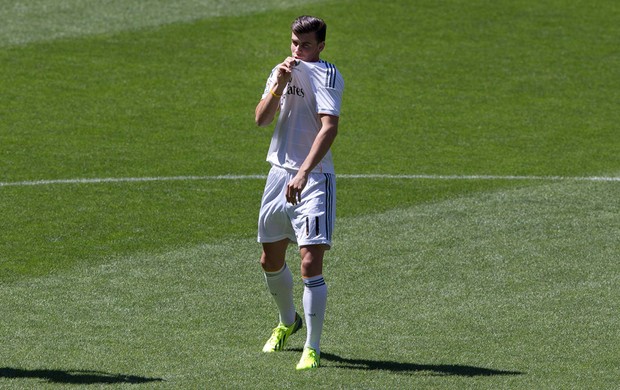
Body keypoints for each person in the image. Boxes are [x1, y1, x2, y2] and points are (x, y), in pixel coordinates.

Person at [254, 15, 344, 371]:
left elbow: (329, 128)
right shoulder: (281, 70)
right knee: (269, 260)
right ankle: (288, 321)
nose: (298, 50)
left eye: (305, 45)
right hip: (278, 175)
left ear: (321, 46)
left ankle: (312, 347)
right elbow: (261, 119)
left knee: (309, 262)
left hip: (314, 177)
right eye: (295, 43)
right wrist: (278, 83)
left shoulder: (328, 75)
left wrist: (305, 172)